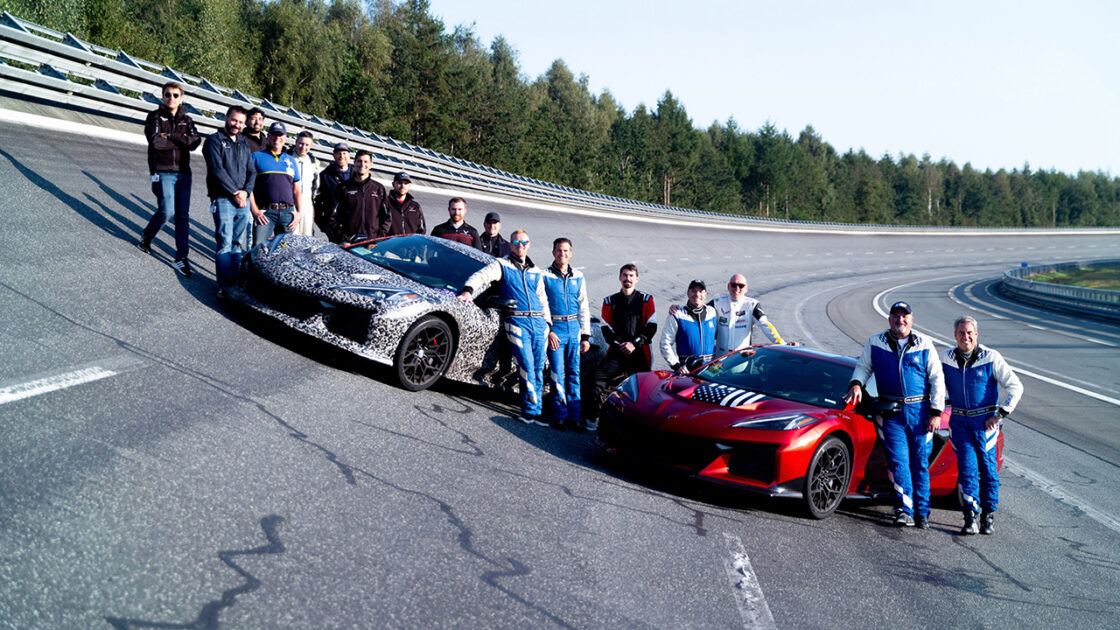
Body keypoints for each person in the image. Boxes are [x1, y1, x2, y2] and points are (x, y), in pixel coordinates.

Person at [843, 301, 945, 529]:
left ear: (912, 319)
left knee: (919, 463)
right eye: (896, 315)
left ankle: (922, 512)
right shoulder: (876, 342)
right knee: (898, 463)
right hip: (892, 413)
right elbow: (863, 366)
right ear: (889, 319)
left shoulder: (924, 344)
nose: (900, 320)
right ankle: (903, 510)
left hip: (920, 413)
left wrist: (936, 412)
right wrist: (857, 384)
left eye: (904, 316)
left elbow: (937, 379)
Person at [940, 315, 1023, 535]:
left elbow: (1015, 386)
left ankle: (988, 515)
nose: (965, 337)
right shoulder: (945, 358)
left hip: (985, 423)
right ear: (954, 335)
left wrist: (1001, 414)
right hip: (959, 422)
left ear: (976, 334)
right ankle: (970, 516)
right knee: (967, 469)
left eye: (969, 332)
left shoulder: (991, 357)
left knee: (988, 470)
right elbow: (932, 383)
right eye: (960, 333)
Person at [457, 230, 551, 425]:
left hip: (539, 324)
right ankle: (529, 410)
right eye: (517, 241)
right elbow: (481, 277)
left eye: (524, 241)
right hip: (516, 321)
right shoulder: (502, 264)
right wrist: (467, 291)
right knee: (526, 365)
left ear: (529, 244)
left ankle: (537, 410)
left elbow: (543, 300)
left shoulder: (536, 271)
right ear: (511, 243)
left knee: (538, 367)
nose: (520, 245)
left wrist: (548, 324)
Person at [137, 81, 201, 277]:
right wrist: (180, 139)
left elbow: (195, 142)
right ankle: (147, 237)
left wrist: (171, 136)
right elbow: (156, 142)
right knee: (166, 211)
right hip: (162, 171)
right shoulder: (154, 116)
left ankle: (181, 258)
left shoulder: (186, 119)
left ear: (181, 98)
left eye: (175, 95)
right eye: (167, 94)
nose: (171, 98)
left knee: (182, 216)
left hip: (184, 173)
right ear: (162, 96)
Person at [590, 264, 656, 426]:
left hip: (640, 353)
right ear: (620, 278)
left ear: (637, 279)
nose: (628, 279)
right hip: (617, 351)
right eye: (625, 275)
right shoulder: (609, 301)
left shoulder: (646, 300)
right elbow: (606, 329)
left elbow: (651, 326)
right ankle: (592, 418)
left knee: (643, 391)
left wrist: (634, 344)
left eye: (631, 275)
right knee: (596, 379)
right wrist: (621, 344)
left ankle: (640, 425)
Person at [202, 105, 256, 297]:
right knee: (224, 242)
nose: (237, 125)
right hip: (223, 199)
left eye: (241, 122)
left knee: (236, 244)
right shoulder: (213, 141)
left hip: (243, 200)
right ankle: (225, 286)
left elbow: (252, 171)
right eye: (234, 120)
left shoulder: (243, 142)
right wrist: (235, 192)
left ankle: (236, 282)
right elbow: (217, 170)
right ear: (226, 118)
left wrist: (246, 192)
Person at [542, 238, 591, 431]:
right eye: (559, 250)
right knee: (557, 373)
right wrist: (549, 330)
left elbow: (584, 306)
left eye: (566, 251)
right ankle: (560, 415)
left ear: (571, 253)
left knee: (574, 374)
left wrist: (585, 336)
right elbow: (541, 305)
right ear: (553, 252)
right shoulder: (545, 275)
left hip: (574, 329)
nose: (562, 254)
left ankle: (575, 417)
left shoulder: (578, 276)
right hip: (556, 329)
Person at [668, 273, 785, 353]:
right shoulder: (717, 302)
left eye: (741, 286)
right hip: (719, 360)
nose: (737, 288)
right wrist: (678, 309)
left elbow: (766, 325)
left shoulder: (752, 305)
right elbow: (696, 309)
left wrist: (783, 344)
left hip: (742, 358)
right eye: (733, 285)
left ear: (746, 288)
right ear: (728, 287)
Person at [249, 122, 303, 245]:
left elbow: (297, 190)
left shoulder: (291, 160)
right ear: (268, 137)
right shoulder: (256, 157)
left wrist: (299, 213)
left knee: (287, 251)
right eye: (274, 135)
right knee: (258, 248)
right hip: (265, 213)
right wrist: (254, 210)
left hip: (287, 213)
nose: (277, 138)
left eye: (281, 135)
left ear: (285, 138)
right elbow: (249, 186)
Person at [661, 280, 718, 374]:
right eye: (694, 291)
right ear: (688, 293)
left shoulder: (712, 312)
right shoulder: (677, 314)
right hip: (687, 371)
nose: (697, 294)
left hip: (711, 371)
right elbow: (665, 343)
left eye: (700, 291)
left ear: (705, 294)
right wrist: (676, 366)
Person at [333, 149, 386, 243]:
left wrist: (378, 238)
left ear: (371, 165)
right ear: (354, 163)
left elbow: (387, 217)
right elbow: (332, 216)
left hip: (372, 243)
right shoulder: (343, 188)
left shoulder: (379, 189)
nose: (362, 164)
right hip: (349, 243)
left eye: (366, 162)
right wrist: (342, 237)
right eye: (359, 161)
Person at [314, 142, 351, 241]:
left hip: (353, 223)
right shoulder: (325, 176)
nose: (341, 156)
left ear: (349, 155)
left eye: (344, 153)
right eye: (338, 153)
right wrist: (323, 224)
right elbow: (316, 202)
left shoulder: (356, 174)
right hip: (334, 226)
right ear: (333, 155)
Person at [289, 131, 318, 236]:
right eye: (301, 143)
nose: (303, 147)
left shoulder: (312, 161)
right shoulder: (288, 157)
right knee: (292, 236)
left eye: (307, 145)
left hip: (306, 203)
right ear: (296, 142)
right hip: (291, 204)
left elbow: (315, 184)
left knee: (307, 236)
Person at [378, 171, 425, 236]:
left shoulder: (415, 206)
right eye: (399, 183)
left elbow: (421, 230)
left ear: (409, 185)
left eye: (406, 183)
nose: (403, 186)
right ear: (393, 184)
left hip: (410, 245)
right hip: (391, 245)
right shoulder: (384, 204)